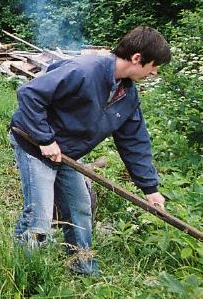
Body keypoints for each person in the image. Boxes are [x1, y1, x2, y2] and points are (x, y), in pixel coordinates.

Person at [9, 26, 171, 275]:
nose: (155, 72)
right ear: (137, 58)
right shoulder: (84, 70)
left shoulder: (126, 94)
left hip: (67, 154)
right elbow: (30, 94)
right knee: (39, 217)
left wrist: (150, 188)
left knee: (79, 210)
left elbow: (134, 142)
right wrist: (45, 139)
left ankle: (82, 268)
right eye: (154, 66)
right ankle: (22, 276)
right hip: (33, 144)